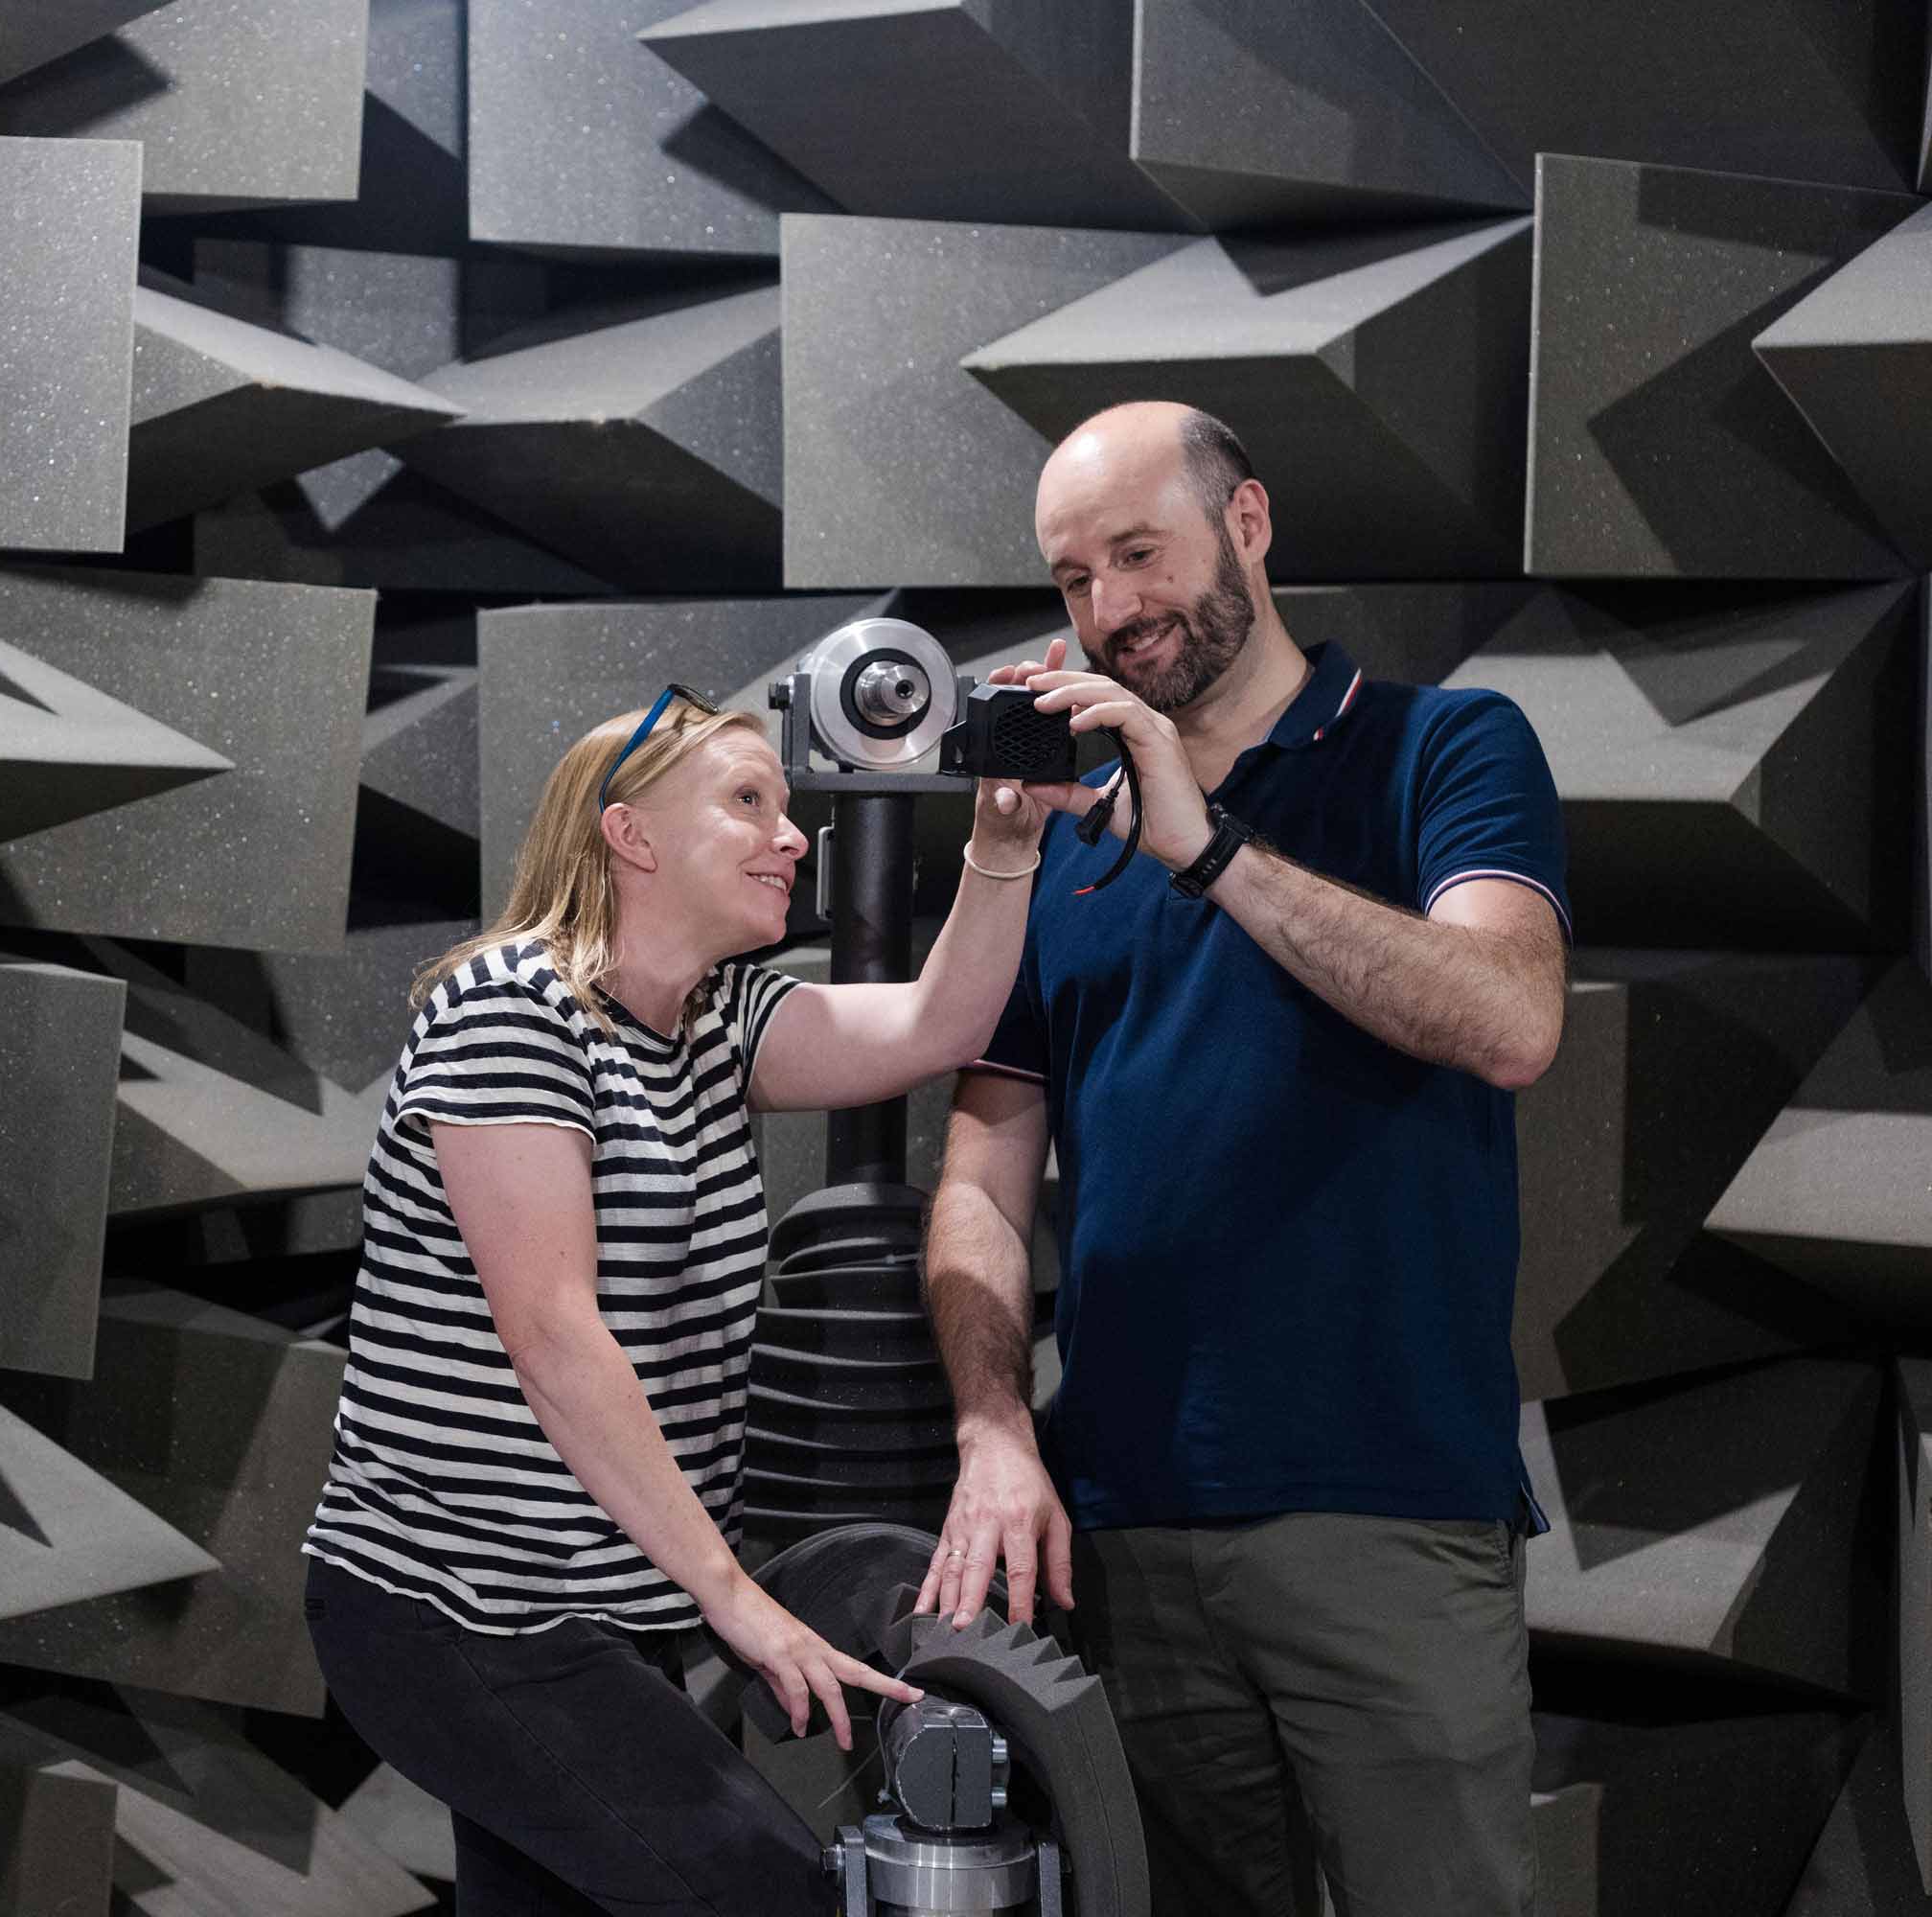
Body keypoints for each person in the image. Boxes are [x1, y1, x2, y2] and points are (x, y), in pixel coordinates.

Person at [916, 401, 1569, 1916]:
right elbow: (981, 1177)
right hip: (1129, 1536)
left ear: (1250, 524)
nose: (1111, 612)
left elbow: (1511, 1018)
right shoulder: (1059, 837)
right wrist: (996, 1427)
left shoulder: (1441, 745)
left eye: (1141, 554)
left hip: (1383, 1509)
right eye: (1074, 578)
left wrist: (1207, 848)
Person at [303, 681, 1046, 1916]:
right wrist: (738, 1602)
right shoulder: (509, 1010)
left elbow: (941, 1021)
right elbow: (552, 1337)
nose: (793, 836)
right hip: (461, 1605)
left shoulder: (721, 1019)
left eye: (790, 808)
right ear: (630, 835)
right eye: (747, 803)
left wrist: (1002, 849)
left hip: (606, 1605)